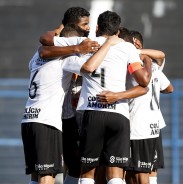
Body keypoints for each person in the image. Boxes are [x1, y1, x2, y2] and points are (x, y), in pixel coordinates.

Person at [21, 24, 122, 184]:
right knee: (49, 173)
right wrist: (108, 44)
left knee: (39, 172)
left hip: (30, 118)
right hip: (50, 120)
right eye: (83, 27)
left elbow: (43, 48)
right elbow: (90, 67)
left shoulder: (36, 57)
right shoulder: (66, 59)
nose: (87, 32)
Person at [76, 11, 152, 184]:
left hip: (92, 112)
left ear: (97, 27)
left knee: (87, 174)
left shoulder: (86, 45)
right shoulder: (127, 48)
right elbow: (143, 82)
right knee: (115, 175)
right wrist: (117, 95)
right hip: (118, 113)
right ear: (118, 31)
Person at [97, 29, 173, 184]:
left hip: (137, 127)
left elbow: (144, 84)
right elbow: (169, 88)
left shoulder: (133, 65)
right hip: (153, 126)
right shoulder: (151, 66)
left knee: (136, 175)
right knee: (145, 174)